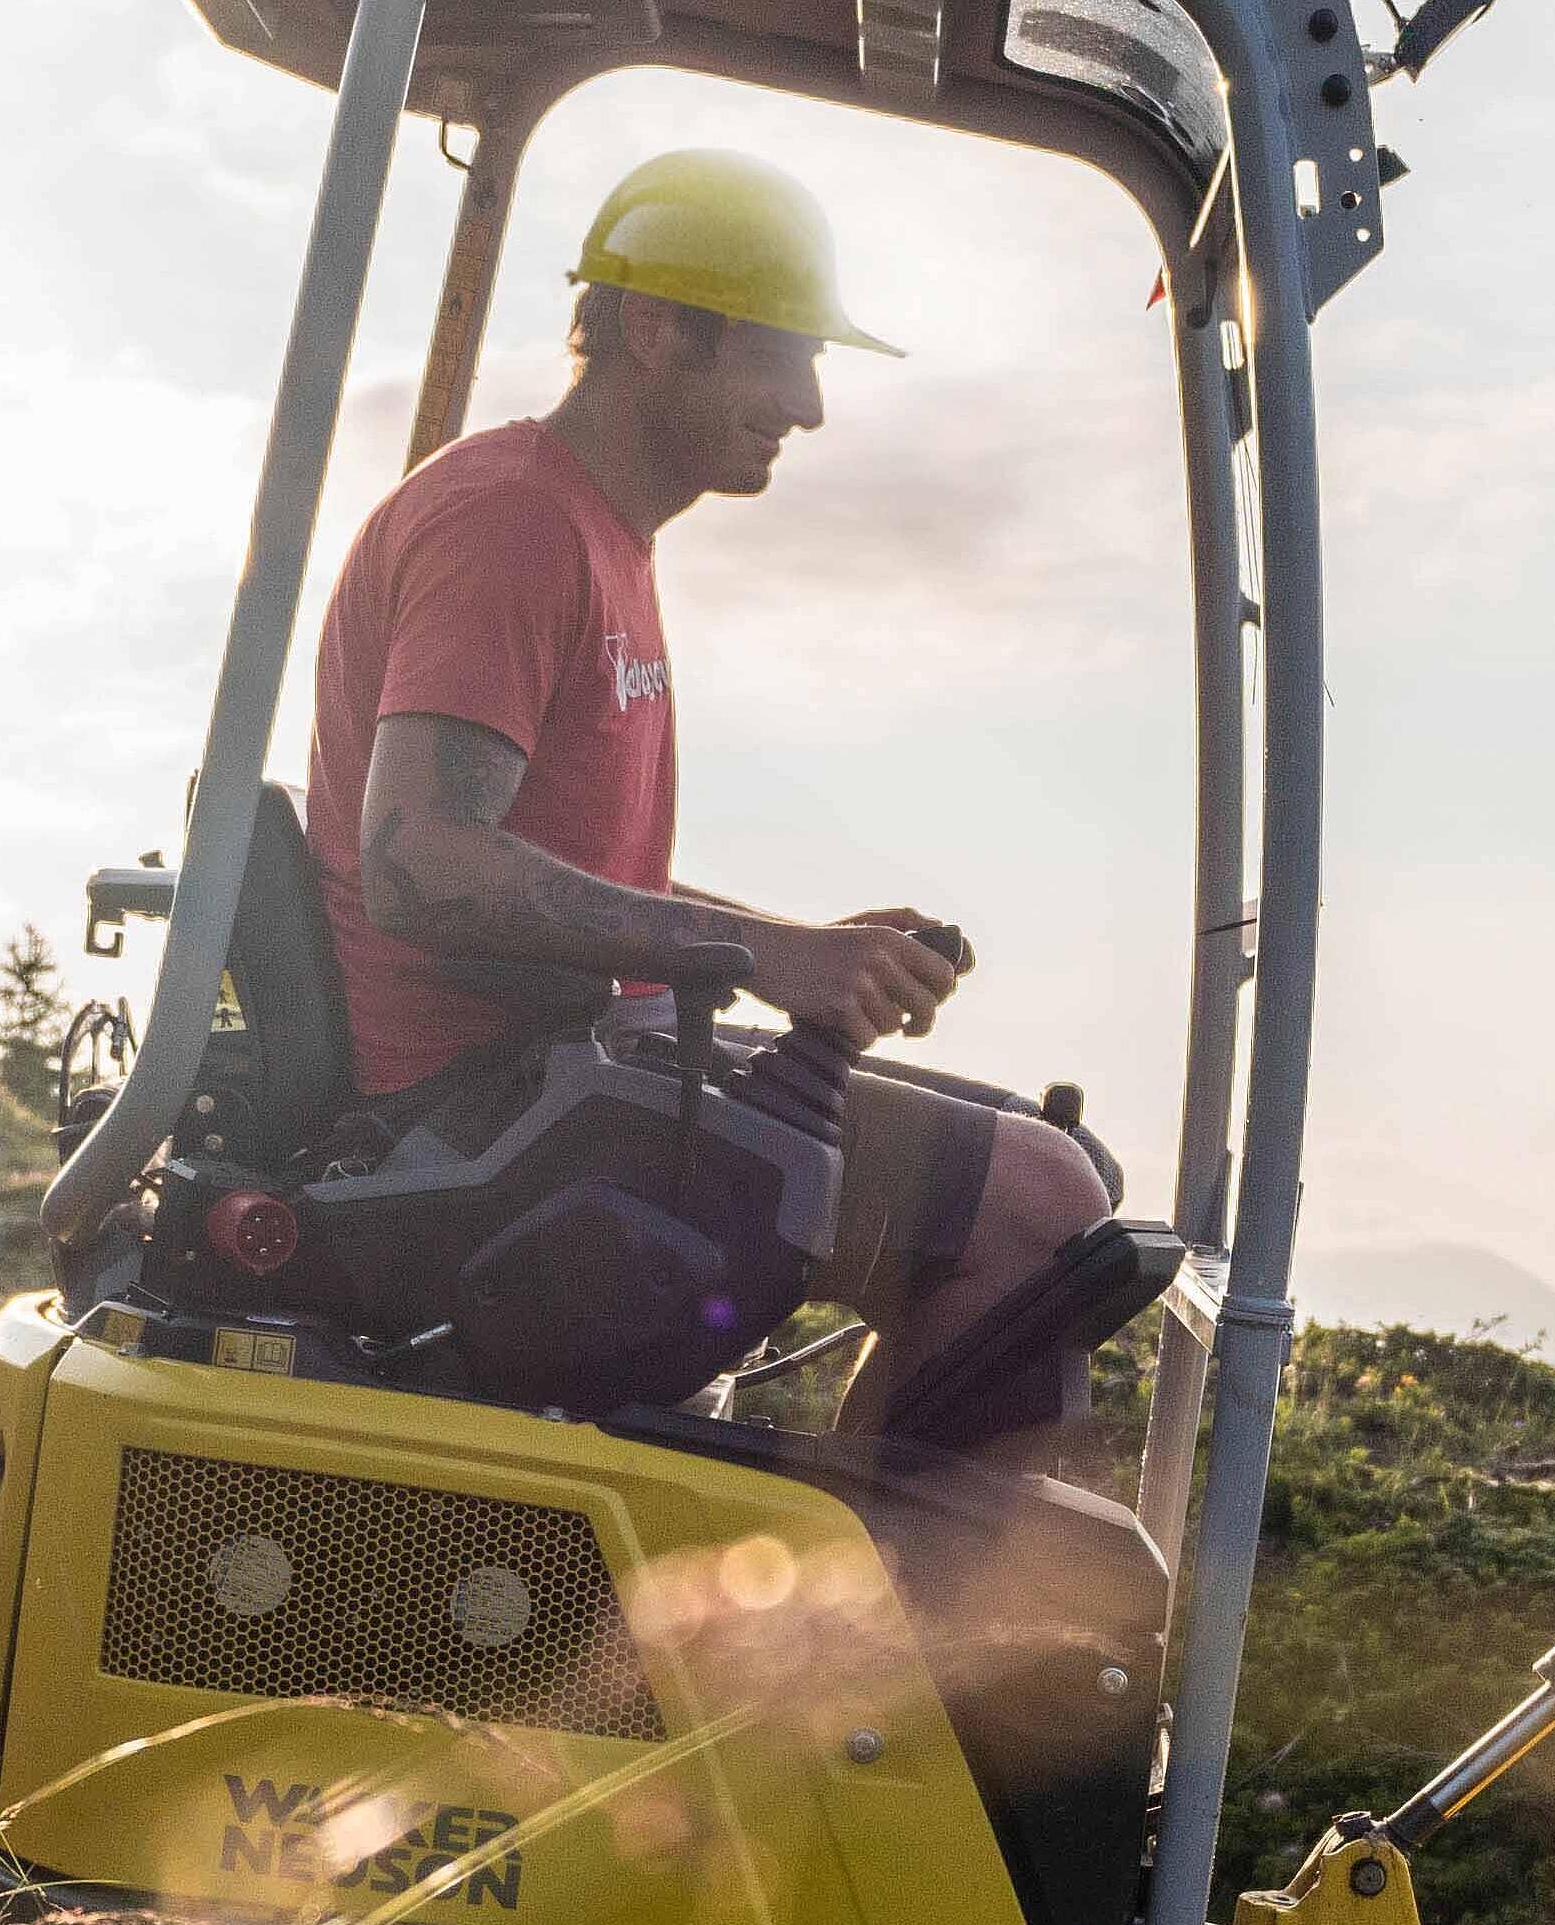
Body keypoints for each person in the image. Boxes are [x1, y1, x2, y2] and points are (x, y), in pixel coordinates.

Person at [297, 144, 1120, 1458]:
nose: (809, 404)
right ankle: (870, 1627)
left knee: (1043, 1163)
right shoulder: (511, 520)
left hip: (570, 1068)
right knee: (1036, 1202)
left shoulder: (600, 536)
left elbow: (553, 865)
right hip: (476, 1111)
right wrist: (758, 954)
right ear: (657, 326)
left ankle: (839, 1594)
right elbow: (420, 860)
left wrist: (798, 949)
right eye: (783, 355)